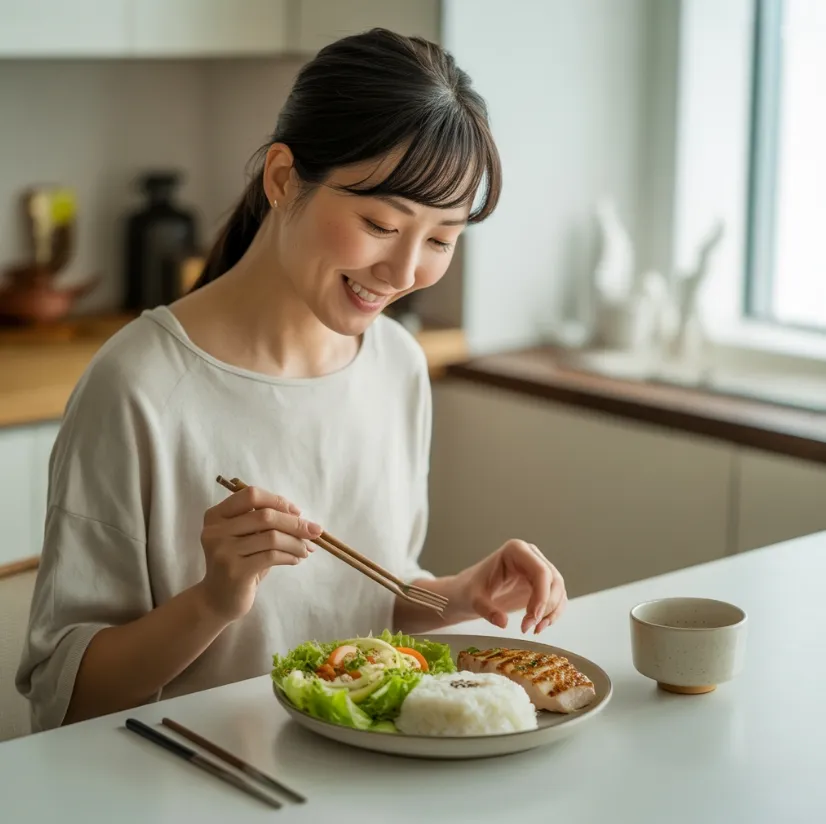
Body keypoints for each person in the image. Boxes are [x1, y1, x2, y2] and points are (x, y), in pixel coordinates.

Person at [16, 28, 567, 733]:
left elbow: (360, 610)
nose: (403, 274)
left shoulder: (395, 364)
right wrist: (214, 601)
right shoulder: (137, 386)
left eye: (439, 240)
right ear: (282, 179)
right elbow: (66, 700)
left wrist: (457, 594)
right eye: (379, 223)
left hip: (354, 784)